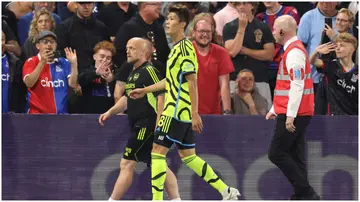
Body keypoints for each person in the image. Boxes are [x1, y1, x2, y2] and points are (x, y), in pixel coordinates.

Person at [129, 4, 240, 200]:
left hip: (175, 111)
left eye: (172, 19)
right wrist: (145, 90)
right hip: (181, 112)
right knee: (189, 157)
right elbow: (170, 81)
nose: (167, 23)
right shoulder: (175, 50)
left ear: (183, 24)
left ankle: (157, 199)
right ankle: (226, 191)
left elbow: (192, 82)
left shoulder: (185, 49)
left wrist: (195, 113)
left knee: (156, 153)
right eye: (167, 19)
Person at [98, 38, 180, 200]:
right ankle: (176, 199)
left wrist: (159, 124)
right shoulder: (133, 72)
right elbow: (128, 98)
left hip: (147, 125)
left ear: (143, 52)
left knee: (127, 163)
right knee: (158, 163)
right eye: (127, 48)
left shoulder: (149, 70)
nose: (128, 51)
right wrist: (111, 112)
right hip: (138, 123)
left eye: (132, 48)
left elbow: (162, 94)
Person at [266, 15, 320, 200]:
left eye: (274, 28)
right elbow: (286, 85)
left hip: (295, 113)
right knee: (296, 156)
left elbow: (297, 85)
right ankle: (302, 195)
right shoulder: (293, 50)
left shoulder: (294, 52)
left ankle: (307, 192)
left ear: (282, 31)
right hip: (296, 111)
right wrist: (275, 108)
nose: (273, 31)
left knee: (276, 153)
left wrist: (290, 116)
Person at [22, 31, 78, 114]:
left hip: (61, 117)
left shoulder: (64, 62)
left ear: (55, 45)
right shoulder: (31, 62)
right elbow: (29, 83)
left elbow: (73, 84)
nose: (49, 45)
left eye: (52, 42)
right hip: (37, 116)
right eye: (45, 42)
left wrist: (74, 64)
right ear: (38, 46)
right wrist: (42, 62)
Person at [191, 13, 233, 115]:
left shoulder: (221, 53)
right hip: (188, 113)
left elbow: (224, 85)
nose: (205, 34)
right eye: (201, 31)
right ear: (193, 33)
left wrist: (227, 112)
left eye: (208, 31)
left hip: (213, 113)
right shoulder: (184, 51)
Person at [309, 33, 358, 115]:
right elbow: (313, 61)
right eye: (336, 46)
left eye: (342, 46)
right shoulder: (331, 66)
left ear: (351, 50)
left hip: (354, 118)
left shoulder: (357, 71)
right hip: (333, 118)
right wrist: (316, 52)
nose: (337, 48)